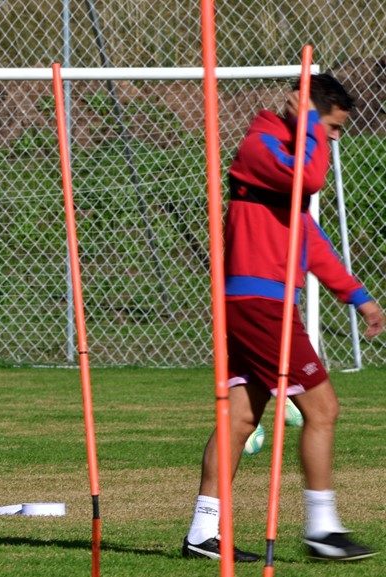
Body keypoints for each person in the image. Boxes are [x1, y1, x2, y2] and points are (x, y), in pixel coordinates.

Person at [182, 72, 385, 563]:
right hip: (261, 302)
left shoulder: (293, 155)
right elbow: (310, 179)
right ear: (307, 108)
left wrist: (358, 296)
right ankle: (322, 530)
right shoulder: (263, 145)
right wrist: (312, 124)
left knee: (242, 416)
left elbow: (307, 238)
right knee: (323, 409)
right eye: (334, 127)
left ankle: (202, 533)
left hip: (262, 300)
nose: (334, 139)